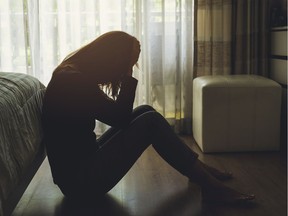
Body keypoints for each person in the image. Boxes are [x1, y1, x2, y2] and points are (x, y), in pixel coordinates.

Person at [41, 31, 255, 204]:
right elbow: (121, 118)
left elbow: (117, 116)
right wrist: (127, 76)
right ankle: (211, 186)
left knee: (145, 110)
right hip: (82, 183)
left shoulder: (71, 74)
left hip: (78, 172)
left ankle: (197, 170)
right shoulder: (74, 81)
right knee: (149, 122)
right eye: (127, 64)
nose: (128, 69)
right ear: (111, 58)